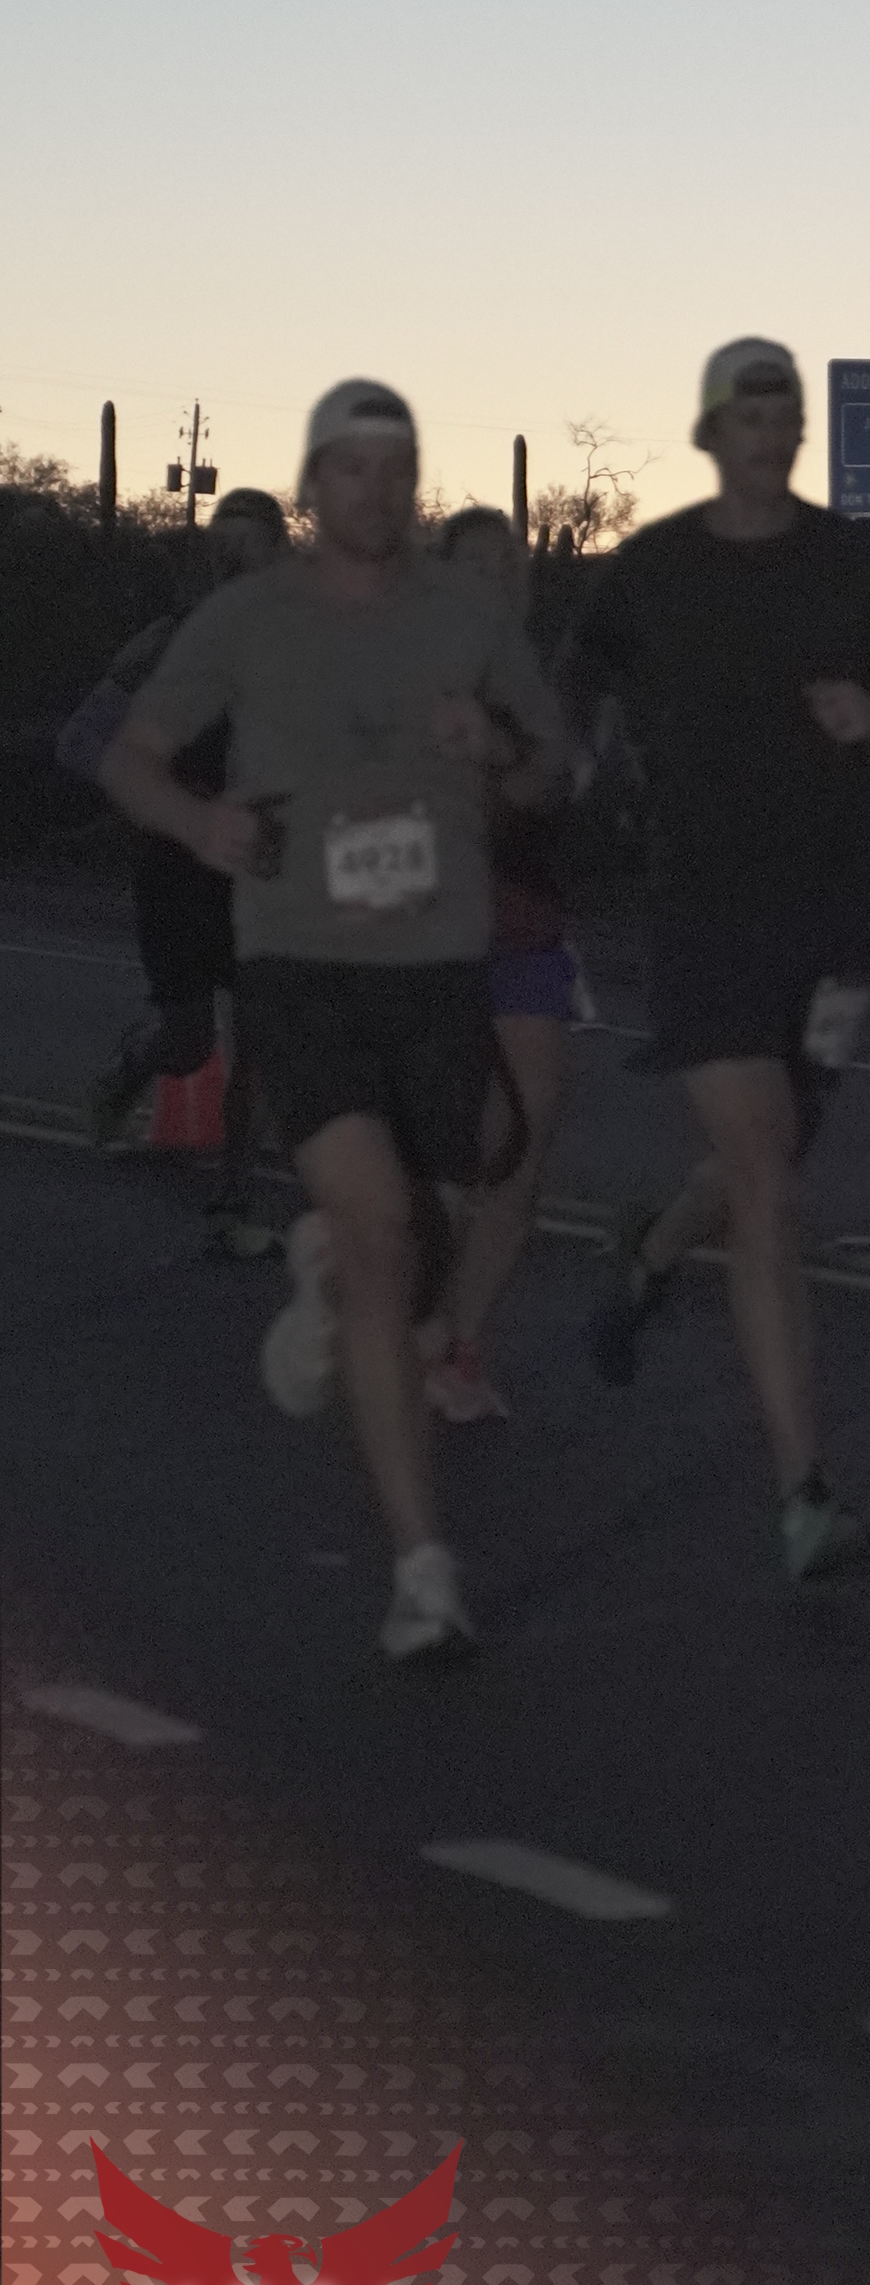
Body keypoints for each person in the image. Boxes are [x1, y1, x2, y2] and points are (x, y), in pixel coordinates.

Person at [99, 381, 570, 1661]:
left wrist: (500, 749)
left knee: (451, 1198)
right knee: (379, 1232)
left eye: (394, 468)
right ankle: (423, 1571)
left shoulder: (464, 617)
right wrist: (199, 821)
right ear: (314, 484)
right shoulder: (247, 615)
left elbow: (554, 766)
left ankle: (333, 1280)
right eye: (349, 467)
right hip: (301, 957)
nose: (373, 490)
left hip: (435, 962)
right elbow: (130, 754)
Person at [568, 339, 870, 1584]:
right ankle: (804, 1491)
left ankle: (650, 1254)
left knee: (775, 1156)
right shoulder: (651, 566)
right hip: (704, 912)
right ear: (707, 431)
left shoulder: (861, 560)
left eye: (784, 409)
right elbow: (571, 688)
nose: (769, 427)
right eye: (746, 409)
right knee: (767, 1184)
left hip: (835, 920)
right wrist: (578, 765)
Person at [60, 486, 290, 1250]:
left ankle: (235, 1194)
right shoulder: (167, 641)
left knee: (260, 1034)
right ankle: (129, 1071)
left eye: (251, 546)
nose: (236, 562)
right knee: (190, 1043)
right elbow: (81, 742)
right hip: (177, 868)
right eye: (225, 548)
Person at [420, 506, 578, 1422]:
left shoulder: (538, 690)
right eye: (473, 565)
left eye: (507, 566)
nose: (493, 579)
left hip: (525, 938)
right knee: (445, 1151)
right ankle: (403, 1316)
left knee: (523, 1148)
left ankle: (458, 1346)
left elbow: (550, 800)